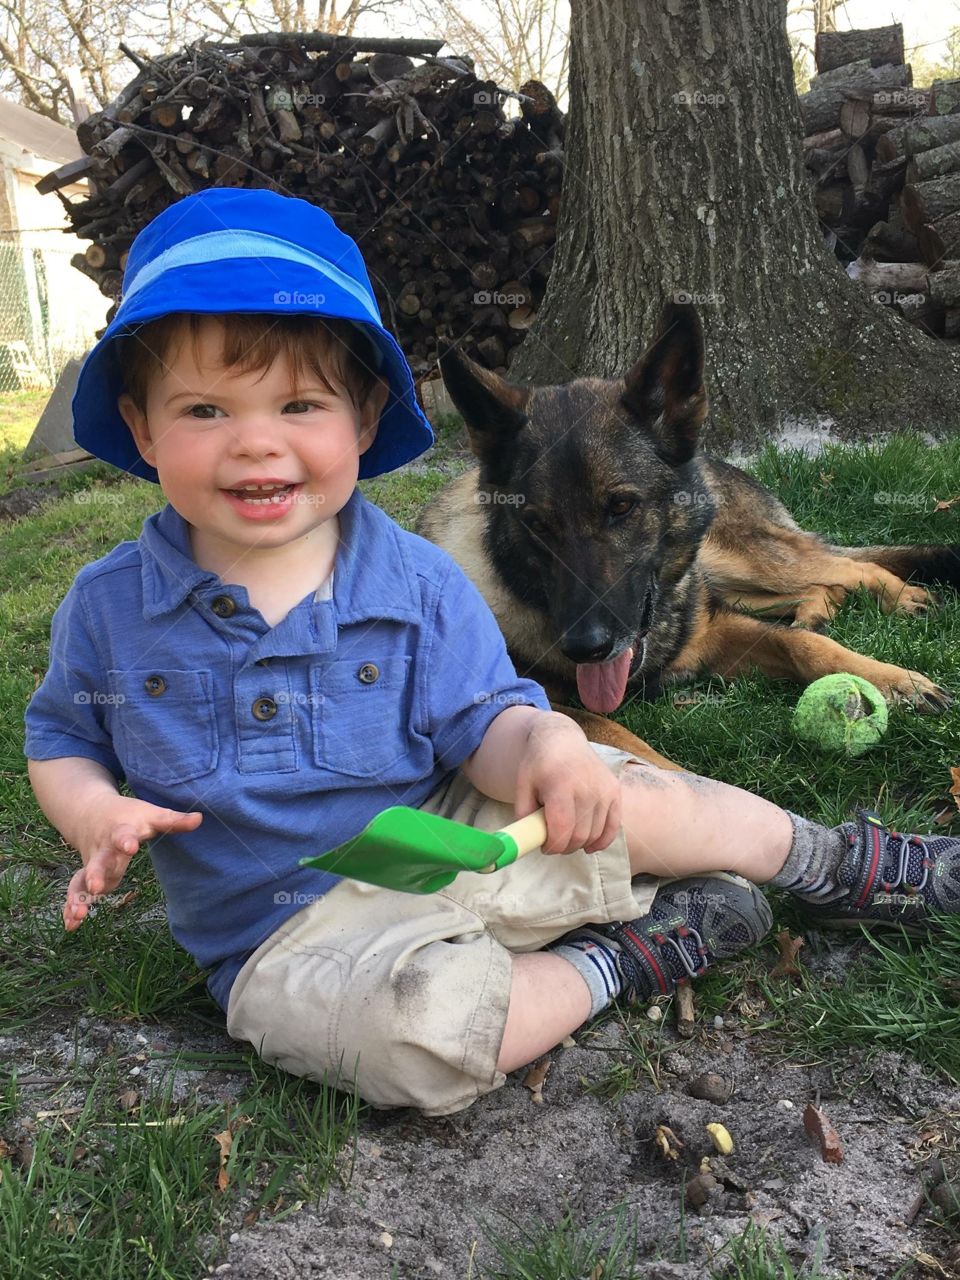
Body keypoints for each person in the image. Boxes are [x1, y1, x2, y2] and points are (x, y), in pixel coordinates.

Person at [23, 188, 960, 1117]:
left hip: (459, 834)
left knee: (640, 794)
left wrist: (546, 745)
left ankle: (836, 862)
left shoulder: (420, 581)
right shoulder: (109, 609)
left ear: (364, 417)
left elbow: (488, 719)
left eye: (299, 404)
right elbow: (62, 738)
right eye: (205, 411)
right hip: (290, 932)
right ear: (141, 427)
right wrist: (93, 811)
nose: (256, 443)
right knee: (413, 1037)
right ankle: (625, 956)